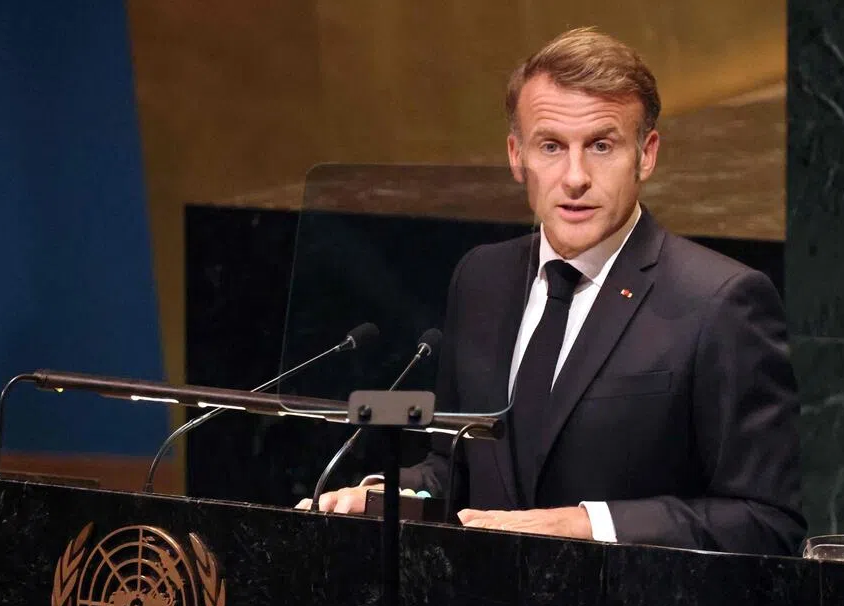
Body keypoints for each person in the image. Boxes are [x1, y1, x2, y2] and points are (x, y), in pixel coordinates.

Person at [300, 27, 804, 554]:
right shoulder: (481, 278)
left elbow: (767, 522)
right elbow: (457, 466)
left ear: (646, 154)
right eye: (551, 146)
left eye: (602, 146)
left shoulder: (721, 300)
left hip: (631, 604)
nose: (575, 177)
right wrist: (389, 496)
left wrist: (589, 525)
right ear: (516, 156)